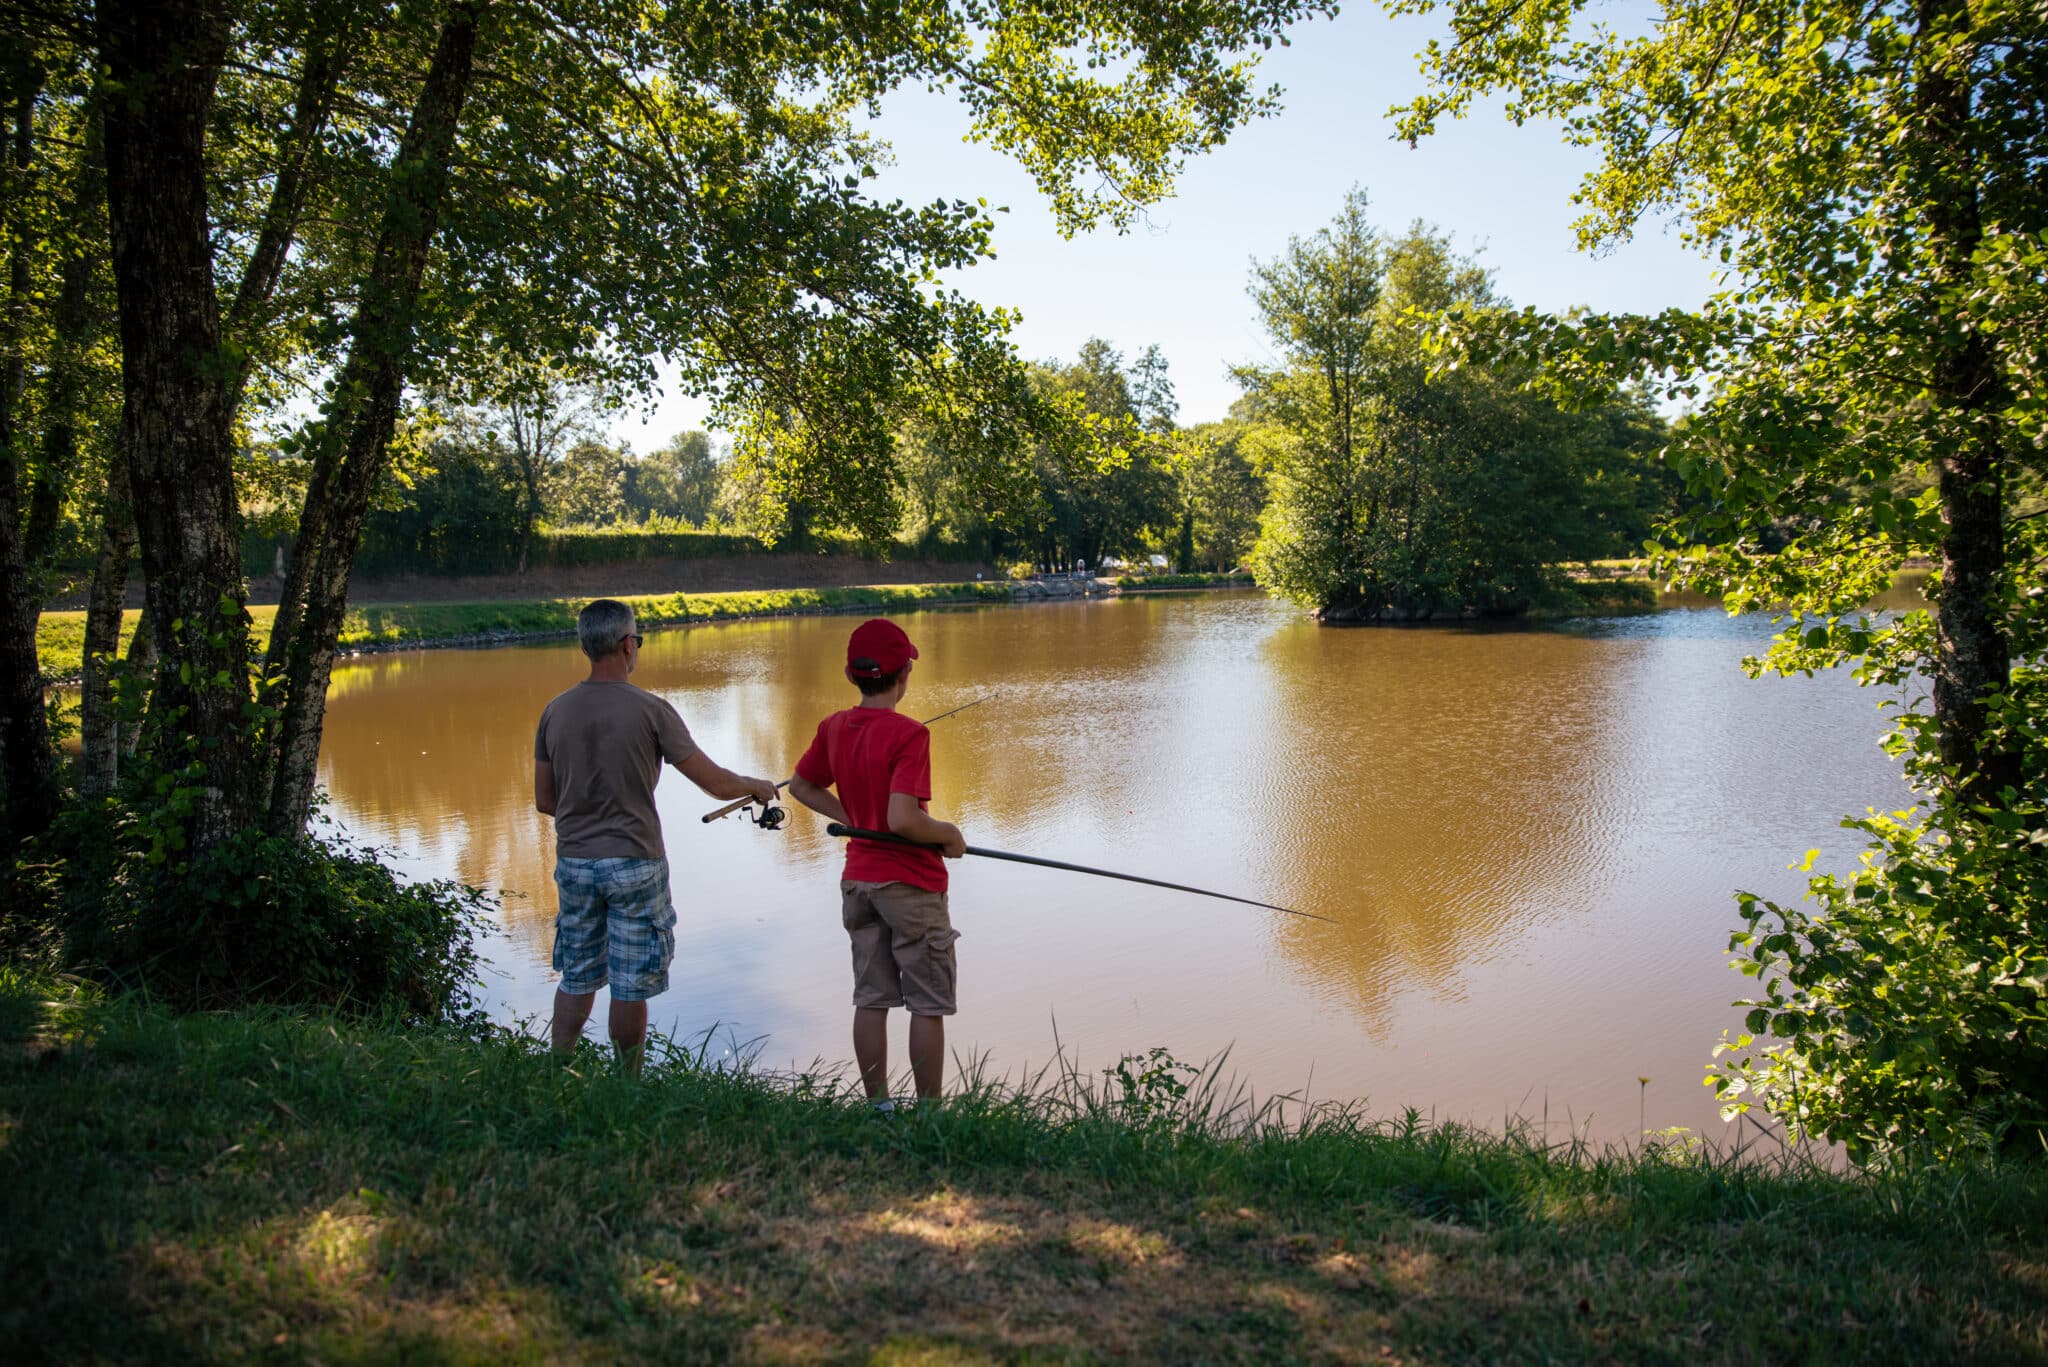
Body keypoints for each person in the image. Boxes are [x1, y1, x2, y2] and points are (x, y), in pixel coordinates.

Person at [534, 598, 776, 1073]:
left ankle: (554, 1071)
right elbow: (716, 784)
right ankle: (628, 1086)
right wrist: (757, 786)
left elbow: (546, 800)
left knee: (577, 977)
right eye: (637, 640)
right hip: (636, 862)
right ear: (627, 646)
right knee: (629, 983)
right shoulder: (652, 710)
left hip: (576, 864)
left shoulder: (554, 711)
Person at [787, 618, 965, 1106]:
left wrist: (854, 820)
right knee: (926, 1005)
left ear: (851, 675)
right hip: (910, 884)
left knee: (871, 998)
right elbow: (904, 819)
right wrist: (949, 835)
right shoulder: (909, 735)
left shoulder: (833, 727)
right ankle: (929, 1115)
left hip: (858, 882)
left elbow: (802, 787)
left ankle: (878, 1107)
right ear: (905, 674)